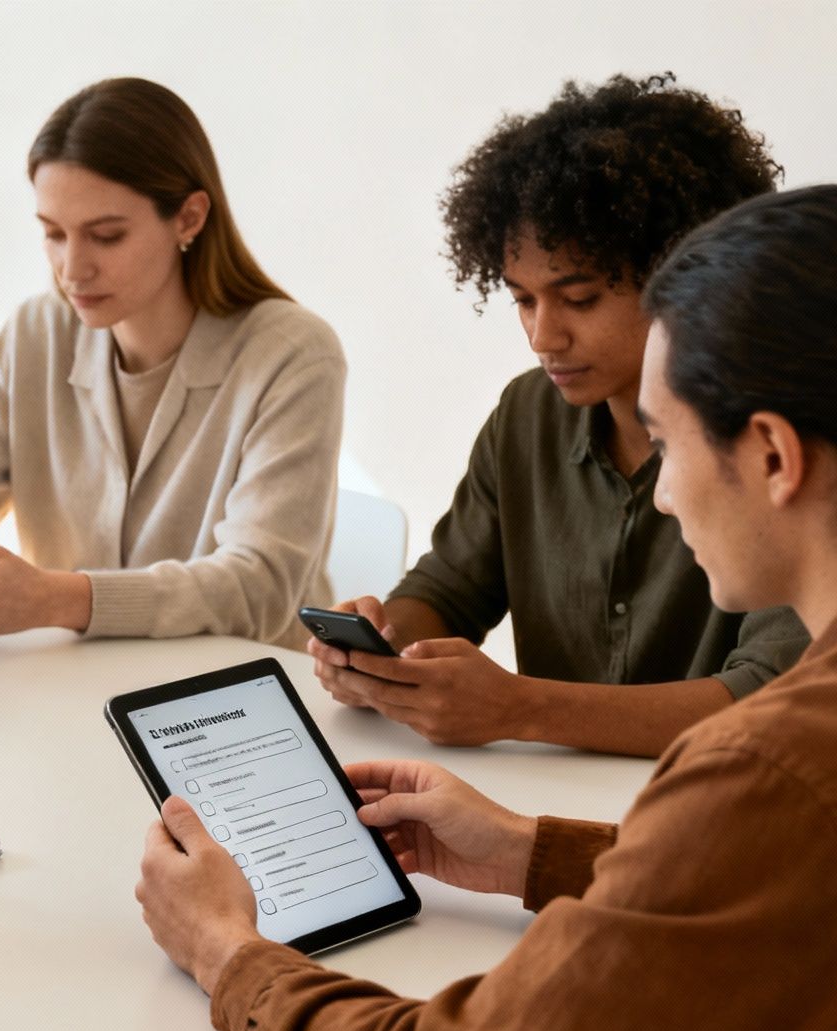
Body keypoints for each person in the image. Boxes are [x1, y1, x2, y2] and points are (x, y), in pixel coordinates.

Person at [137, 183, 837, 1031]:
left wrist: (229, 953)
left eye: (670, 442)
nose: (664, 494)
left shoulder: (785, 775)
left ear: (772, 455)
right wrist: (535, 853)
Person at [312, 74, 808, 757]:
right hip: (546, 808)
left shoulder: (780, 440)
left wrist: (523, 708)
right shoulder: (528, 415)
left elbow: (772, 697)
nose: (543, 336)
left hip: (716, 809)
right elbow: (450, 589)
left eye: (578, 299)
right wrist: (382, 651)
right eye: (522, 300)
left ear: (685, 275)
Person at [0, 76, 344, 651]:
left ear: (188, 218)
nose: (72, 269)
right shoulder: (39, 332)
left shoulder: (293, 355)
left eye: (105, 236)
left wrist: (53, 599)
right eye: (53, 234)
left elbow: (257, 587)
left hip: (232, 709)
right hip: (74, 689)